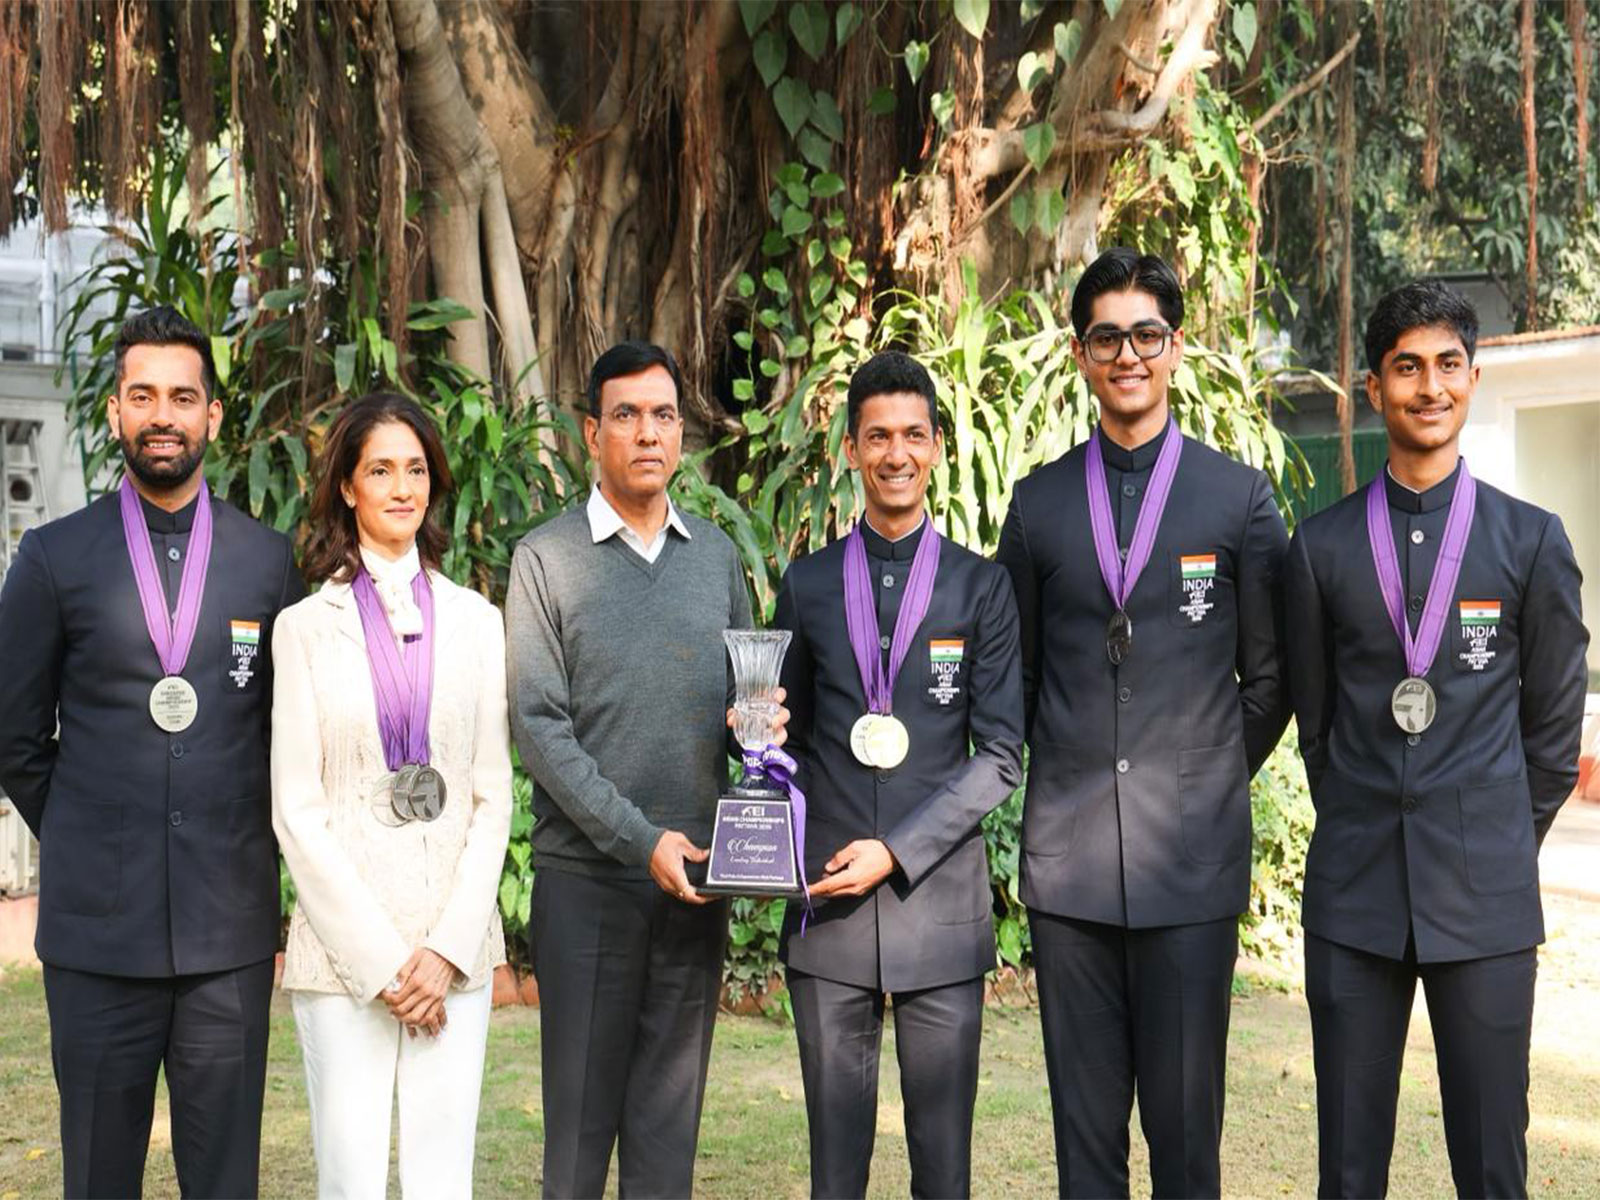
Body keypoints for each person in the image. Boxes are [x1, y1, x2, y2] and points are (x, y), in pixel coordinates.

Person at [996, 249, 1290, 1197]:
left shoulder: (1237, 498)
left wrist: (1201, 780)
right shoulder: (1038, 505)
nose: (1129, 355)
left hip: (1191, 871)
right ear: (1082, 354)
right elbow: (1022, 677)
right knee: (1084, 1146)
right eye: (1108, 337)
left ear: (1175, 349)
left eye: (1148, 336)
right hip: (1070, 869)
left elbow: (1271, 678)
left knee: (1186, 1140)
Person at [1285, 281, 1589, 1198]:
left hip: (1485, 896)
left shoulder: (1531, 543)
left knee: (1494, 1159)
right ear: (1372, 387)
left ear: (1474, 378)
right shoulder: (1320, 549)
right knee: (1348, 1164)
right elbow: (1317, 724)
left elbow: (1551, 730)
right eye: (1406, 367)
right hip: (1355, 894)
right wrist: (1368, 819)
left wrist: (1489, 831)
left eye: (1448, 365)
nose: (1430, 386)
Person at [0, 306, 304, 1197]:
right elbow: (15, 736)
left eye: (182, 396)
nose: (162, 414)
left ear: (214, 414)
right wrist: (92, 834)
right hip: (97, 940)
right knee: (98, 1179)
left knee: (225, 1182)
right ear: (115, 413)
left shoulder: (268, 562)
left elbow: (286, 733)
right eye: (143, 395)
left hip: (228, 939)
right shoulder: (53, 559)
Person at [506, 341, 773, 1198]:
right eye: (626, 415)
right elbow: (540, 731)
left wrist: (758, 740)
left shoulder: (716, 559)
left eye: (664, 416)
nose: (648, 433)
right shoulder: (545, 560)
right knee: (579, 1148)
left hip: (695, 885)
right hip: (588, 887)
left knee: (667, 1148)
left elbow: (744, 712)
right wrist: (639, 839)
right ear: (591, 433)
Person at [772, 350, 1023, 1198]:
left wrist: (898, 850)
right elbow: (786, 740)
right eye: (877, 435)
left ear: (938, 447)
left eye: (913, 435)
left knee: (941, 1168)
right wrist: (751, 743)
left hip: (938, 914)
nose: (895, 453)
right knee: (835, 1169)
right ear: (850, 450)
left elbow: (1000, 757)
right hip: (828, 913)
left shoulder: (981, 588)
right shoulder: (806, 586)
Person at [270, 392, 512, 1198]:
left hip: (454, 952)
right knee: (352, 1180)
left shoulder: (478, 621)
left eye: (416, 469)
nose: (401, 487)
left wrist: (442, 952)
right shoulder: (305, 628)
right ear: (347, 486)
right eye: (380, 469)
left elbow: (490, 798)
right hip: (345, 961)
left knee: (444, 1180)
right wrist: (381, 963)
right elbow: (297, 811)